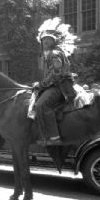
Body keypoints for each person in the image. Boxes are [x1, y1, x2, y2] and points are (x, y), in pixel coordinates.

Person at [33, 18, 77, 146]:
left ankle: (54, 138)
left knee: (41, 105)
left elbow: (56, 74)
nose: (45, 41)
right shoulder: (46, 55)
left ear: (53, 42)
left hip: (60, 87)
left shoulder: (54, 53)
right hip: (53, 86)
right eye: (44, 39)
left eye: (49, 39)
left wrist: (41, 85)